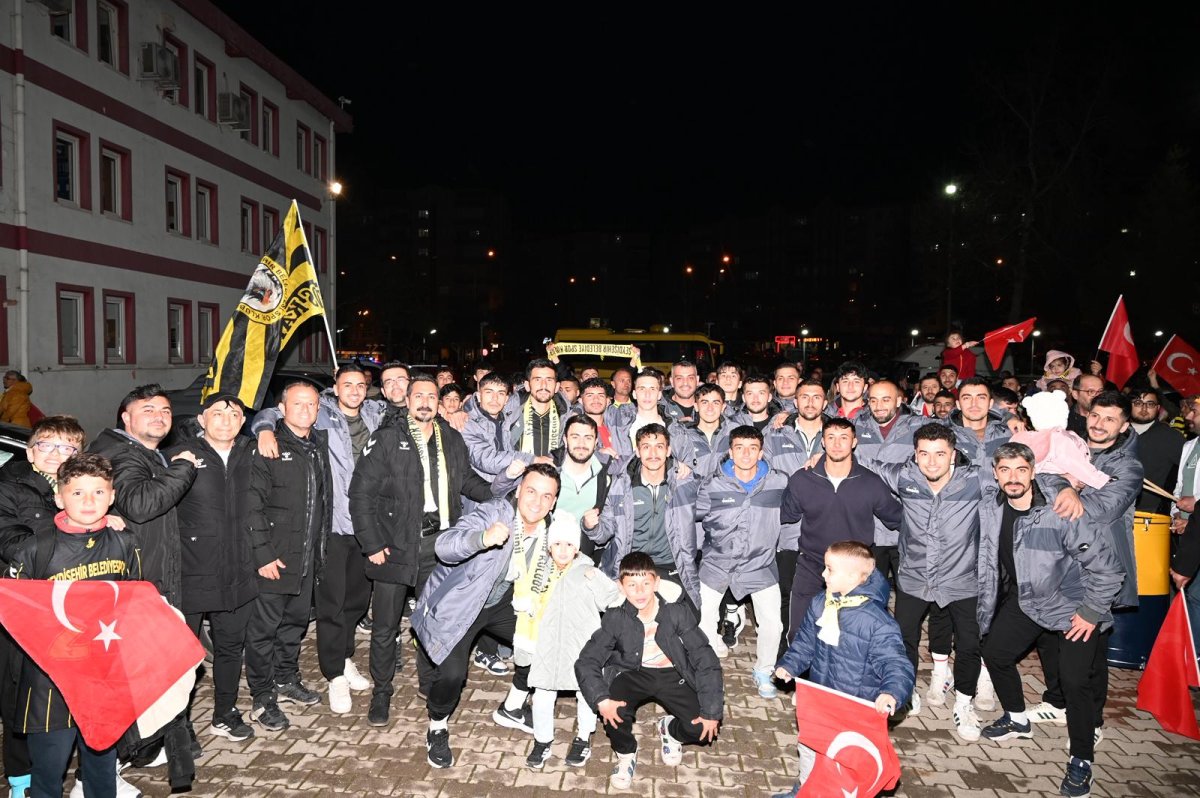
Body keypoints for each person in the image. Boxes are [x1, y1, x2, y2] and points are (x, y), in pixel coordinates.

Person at [348, 373, 509, 725]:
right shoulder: (387, 438)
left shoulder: (450, 437)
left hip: (439, 545)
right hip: (394, 545)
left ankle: (428, 682)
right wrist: (372, 543)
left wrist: (500, 493)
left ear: (439, 402)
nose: (425, 402)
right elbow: (360, 494)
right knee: (386, 625)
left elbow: (466, 480)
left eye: (431, 396)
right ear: (407, 401)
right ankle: (382, 692)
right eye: (418, 396)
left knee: (432, 619)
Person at [977, 443, 1123, 798]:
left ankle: (1081, 760)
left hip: (1072, 605)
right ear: (995, 474)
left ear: (1033, 472)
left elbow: (1108, 570)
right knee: (995, 652)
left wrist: (1090, 612)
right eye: (1005, 470)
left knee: (1074, 682)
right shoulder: (992, 507)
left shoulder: (1062, 511)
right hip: (1028, 600)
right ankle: (1017, 718)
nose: (1013, 478)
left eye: (1021, 470)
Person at [251, 365, 385, 711]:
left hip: (367, 528)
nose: (354, 390)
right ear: (334, 389)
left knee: (356, 602)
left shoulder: (376, 413)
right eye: (346, 384)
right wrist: (264, 428)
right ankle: (334, 674)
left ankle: (344, 658)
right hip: (332, 527)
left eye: (360, 385)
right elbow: (278, 410)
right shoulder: (321, 415)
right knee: (331, 606)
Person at [411, 464, 562, 768]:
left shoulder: (552, 530)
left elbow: (570, 559)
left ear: (554, 502)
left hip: (503, 602)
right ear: (518, 490)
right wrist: (481, 538)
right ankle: (437, 725)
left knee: (544, 643)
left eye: (546, 496)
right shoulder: (495, 513)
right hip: (463, 603)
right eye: (531, 491)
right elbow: (444, 545)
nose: (537, 502)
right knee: (453, 676)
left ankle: (513, 707)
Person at [9, 453, 141, 798]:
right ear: (59, 497)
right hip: (50, 682)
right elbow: (14, 613)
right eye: (77, 492)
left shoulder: (125, 542)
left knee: (101, 770)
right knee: (47, 773)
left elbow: (136, 604)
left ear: (112, 497)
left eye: (98, 492)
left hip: (102, 677)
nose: (88, 501)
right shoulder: (36, 548)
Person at [860, 423, 986, 741]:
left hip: (961, 578)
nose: (932, 462)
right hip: (914, 576)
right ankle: (906, 692)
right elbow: (859, 458)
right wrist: (819, 457)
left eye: (940, 454)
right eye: (924, 454)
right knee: (904, 639)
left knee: (969, 644)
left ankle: (964, 704)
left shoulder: (976, 480)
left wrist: (1066, 488)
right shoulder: (905, 477)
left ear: (953, 455)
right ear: (915, 455)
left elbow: (1025, 473)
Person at [1029, 390, 1143, 738]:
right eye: (1095, 415)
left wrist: (1066, 487)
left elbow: (1100, 510)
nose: (1099, 424)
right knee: (1050, 637)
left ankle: (1091, 720)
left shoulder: (1128, 467)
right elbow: (1035, 478)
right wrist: (1065, 483)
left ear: (1124, 426)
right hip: (1057, 562)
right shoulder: (1069, 445)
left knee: (1090, 646)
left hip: (1097, 568)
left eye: (1110, 419)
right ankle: (1057, 701)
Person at [773, 541, 914, 798]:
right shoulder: (821, 603)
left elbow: (896, 663)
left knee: (843, 760)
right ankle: (804, 790)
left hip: (854, 707)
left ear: (852, 577)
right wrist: (790, 665)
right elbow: (805, 643)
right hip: (822, 699)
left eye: (830, 569)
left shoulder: (877, 622)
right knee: (810, 747)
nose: (823, 574)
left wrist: (892, 692)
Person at [575, 552, 723, 791]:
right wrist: (601, 699)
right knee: (613, 712)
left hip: (673, 673)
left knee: (700, 728)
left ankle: (670, 730)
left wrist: (712, 711)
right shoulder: (616, 616)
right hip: (633, 672)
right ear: (621, 587)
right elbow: (587, 660)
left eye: (646, 583)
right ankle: (626, 754)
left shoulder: (677, 612)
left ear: (656, 583)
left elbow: (706, 659)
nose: (640, 591)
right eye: (632, 585)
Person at [0, 416, 86, 798]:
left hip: (72, 604)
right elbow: (8, 538)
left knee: (68, 688)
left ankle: (75, 767)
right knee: (20, 691)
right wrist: (67, 553)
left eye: (67, 446)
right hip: (22, 602)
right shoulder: (8, 483)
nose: (56, 453)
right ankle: (21, 779)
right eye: (47, 444)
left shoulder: (81, 486)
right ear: (31, 451)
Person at [167, 394, 258, 742]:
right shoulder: (179, 455)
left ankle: (225, 712)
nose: (226, 419)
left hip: (238, 568)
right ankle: (179, 725)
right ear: (202, 420)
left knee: (230, 648)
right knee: (184, 653)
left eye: (234, 414)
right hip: (192, 570)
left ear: (243, 422)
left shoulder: (252, 452)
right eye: (217, 413)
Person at [244, 381, 332, 732]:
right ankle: (262, 697)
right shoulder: (268, 446)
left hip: (306, 558)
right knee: (264, 631)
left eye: (311, 404)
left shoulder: (318, 444)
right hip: (275, 559)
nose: (305, 410)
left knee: (294, 625)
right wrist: (263, 554)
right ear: (281, 409)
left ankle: (286, 678)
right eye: (297, 404)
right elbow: (251, 505)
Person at [780, 418, 901, 636]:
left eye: (844, 438)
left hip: (855, 571)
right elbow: (783, 515)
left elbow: (898, 518)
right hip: (812, 565)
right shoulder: (803, 479)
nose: (837, 444)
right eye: (831, 437)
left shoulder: (871, 482)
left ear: (854, 442)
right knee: (799, 632)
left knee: (853, 637)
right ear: (823, 442)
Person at [519, 514, 622, 770]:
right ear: (549, 547)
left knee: (585, 693)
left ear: (576, 548)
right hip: (547, 647)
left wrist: (597, 580)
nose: (563, 550)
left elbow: (611, 600)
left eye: (569, 544)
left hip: (581, 647)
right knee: (542, 694)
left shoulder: (588, 571)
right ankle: (542, 740)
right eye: (557, 544)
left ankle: (583, 737)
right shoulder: (541, 572)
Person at [695, 426, 787, 696]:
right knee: (703, 615)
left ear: (761, 452)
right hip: (717, 562)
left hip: (760, 563)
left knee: (773, 623)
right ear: (731, 452)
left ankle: (764, 670)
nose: (746, 454)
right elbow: (694, 517)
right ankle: (706, 667)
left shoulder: (779, 482)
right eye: (739, 448)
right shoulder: (712, 484)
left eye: (752, 448)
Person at [595, 424, 701, 608]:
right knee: (623, 618)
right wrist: (591, 526)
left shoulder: (685, 484)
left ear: (668, 451)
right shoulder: (621, 486)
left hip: (670, 564)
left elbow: (715, 501)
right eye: (646, 447)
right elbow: (604, 532)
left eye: (659, 446)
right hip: (631, 565)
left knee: (687, 617)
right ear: (637, 451)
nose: (653, 453)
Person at [1129, 387, 1184, 515]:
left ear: (1158, 408)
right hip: (1108, 507)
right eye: (1138, 403)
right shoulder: (1115, 431)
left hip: (1150, 514)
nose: (1144, 408)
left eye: (1150, 404)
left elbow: (1191, 471)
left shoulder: (1171, 437)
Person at [668, 383, 733, 479]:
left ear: (723, 407)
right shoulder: (681, 436)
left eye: (715, 403)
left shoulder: (735, 433)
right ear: (696, 406)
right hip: (692, 488)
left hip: (726, 488)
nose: (710, 408)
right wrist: (675, 465)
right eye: (704, 402)